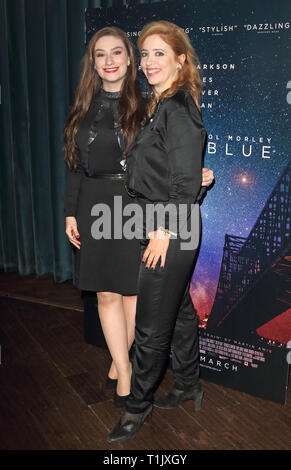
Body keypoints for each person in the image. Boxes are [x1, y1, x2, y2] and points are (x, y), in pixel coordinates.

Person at [63, 26, 214, 410]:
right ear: (93, 63)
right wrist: (70, 211)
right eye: (101, 54)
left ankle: (129, 371)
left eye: (119, 53)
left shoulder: (147, 102)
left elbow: (167, 155)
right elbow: (75, 165)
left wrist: (199, 174)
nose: (110, 61)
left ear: (129, 60)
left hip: (133, 208)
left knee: (133, 293)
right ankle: (123, 369)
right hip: (94, 206)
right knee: (104, 293)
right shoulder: (83, 104)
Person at [108, 21, 209, 443]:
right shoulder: (159, 103)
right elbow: (175, 172)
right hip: (155, 220)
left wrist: (165, 229)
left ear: (180, 60)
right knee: (180, 310)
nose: (148, 62)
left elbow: (184, 184)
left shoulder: (178, 108)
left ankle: (137, 406)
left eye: (159, 54)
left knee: (150, 325)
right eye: (144, 54)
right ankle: (187, 382)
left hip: (170, 226)